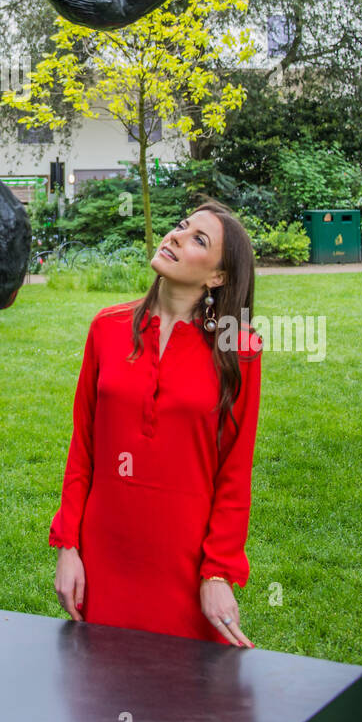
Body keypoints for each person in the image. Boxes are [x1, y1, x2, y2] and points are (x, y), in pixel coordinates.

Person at [50, 199, 263, 648]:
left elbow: (235, 471)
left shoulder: (238, 350)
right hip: (106, 553)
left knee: (190, 706)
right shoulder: (105, 329)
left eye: (198, 239)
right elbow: (82, 446)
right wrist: (69, 546)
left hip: (184, 562)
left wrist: (218, 571)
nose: (176, 237)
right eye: (181, 226)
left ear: (218, 277)